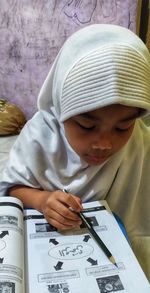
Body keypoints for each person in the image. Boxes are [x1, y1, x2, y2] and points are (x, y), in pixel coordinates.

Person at [0, 24, 150, 279]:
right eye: (86, 125)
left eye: (122, 127)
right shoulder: (40, 135)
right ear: (60, 109)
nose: (104, 143)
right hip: (47, 250)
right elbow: (12, 188)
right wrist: (42, 200)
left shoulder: (139, 141)